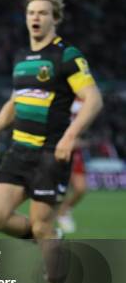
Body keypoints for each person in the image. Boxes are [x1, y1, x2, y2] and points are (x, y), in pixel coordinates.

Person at [0, 0, 103, 283]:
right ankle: (52, 240)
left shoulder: (67, 55)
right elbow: (14, 103)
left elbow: (93, 99)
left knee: (42, 224)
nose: (36, 18)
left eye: (43, 13)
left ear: (54, 19)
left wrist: (71, 136)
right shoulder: (21, 58)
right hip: (19, 149)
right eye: (31, 12)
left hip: (50, 152)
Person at [56, 98, 87, 234]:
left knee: (81, 188)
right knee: (58, 187)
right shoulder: (59, 93)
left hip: (74, 150)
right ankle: (55, 217)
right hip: (56, 145)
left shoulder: (85, 96)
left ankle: (64, 210)